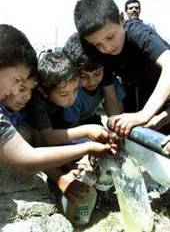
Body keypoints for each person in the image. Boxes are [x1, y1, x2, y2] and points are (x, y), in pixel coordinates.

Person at [0, 24, 111, 175]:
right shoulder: (35, 105)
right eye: (17, 81)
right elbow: (27, 156)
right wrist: (87, 148)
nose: (14, 92)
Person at [26, 50, 118, 203]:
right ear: (44, 91)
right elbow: (46, 139)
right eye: (64, 94)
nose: (72, 98)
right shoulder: (37, 103)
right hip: (39, 144)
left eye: (75, 90)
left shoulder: (63, 96)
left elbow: (68, 132)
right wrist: (87, 130)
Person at [74, 0, 170, 137]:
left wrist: (144, 114)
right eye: (97, 44)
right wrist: (116, 134)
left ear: (121, 18)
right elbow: (110, 96)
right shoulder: (99, 53)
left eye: (110, 37)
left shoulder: (136, 31)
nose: (106, 48)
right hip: (149, 103)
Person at [62, 33, 124, 127]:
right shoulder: (70, 92)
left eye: (98, 73)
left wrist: (117, 133)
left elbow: (116, 113)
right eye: (83, 76)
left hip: (91, 119)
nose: (92, 82)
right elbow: (72, 129)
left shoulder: (108, 80)